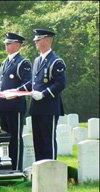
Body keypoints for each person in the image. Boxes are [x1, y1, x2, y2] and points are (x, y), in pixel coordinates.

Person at [0, 32, 32, 171]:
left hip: (15, 105)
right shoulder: (5, 62)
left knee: (15, 138)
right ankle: (6, 166)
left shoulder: (22, 62)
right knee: (5, 138)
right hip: (3, 105)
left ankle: (16, 167)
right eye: (6, 43)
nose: (6, 45)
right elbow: (1, 85)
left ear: (17, 45)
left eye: (9, 43)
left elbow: (29, 83)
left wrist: (15, 92)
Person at [29, 28, 66, 161]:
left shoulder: (56, 61)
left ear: (47, 40)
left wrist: (44, 94)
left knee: (47, 141)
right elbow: (33, 83)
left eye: (38, 40)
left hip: (48, 107)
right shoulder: (37, 61)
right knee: (37, 142)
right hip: (36, 107)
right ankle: (40, 170)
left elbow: (60, 84)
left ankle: (51, 169)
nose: (35, 42)